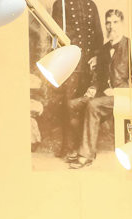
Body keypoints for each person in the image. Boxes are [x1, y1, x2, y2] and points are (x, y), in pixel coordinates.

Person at [72, 9, 132, 169]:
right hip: (107, 98)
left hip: (127, 96)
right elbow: (99, 77)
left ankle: (85, 155)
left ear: (122, 25)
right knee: (75, 104)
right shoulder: (103, 49)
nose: (111, 26)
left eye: (115, 22)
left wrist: (118, 90)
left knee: (93, 106)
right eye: (108, 22)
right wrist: (93, 88)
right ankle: (82, 149)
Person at [48, 0, 103, 162]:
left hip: (88, 65)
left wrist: (97, 55)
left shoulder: (91, 5)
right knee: (68, 105)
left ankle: (84, 147)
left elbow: (98, 34)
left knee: (86, 105)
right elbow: (54, 36)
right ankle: (68, 145)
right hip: (70, 64)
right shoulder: (61, 4)